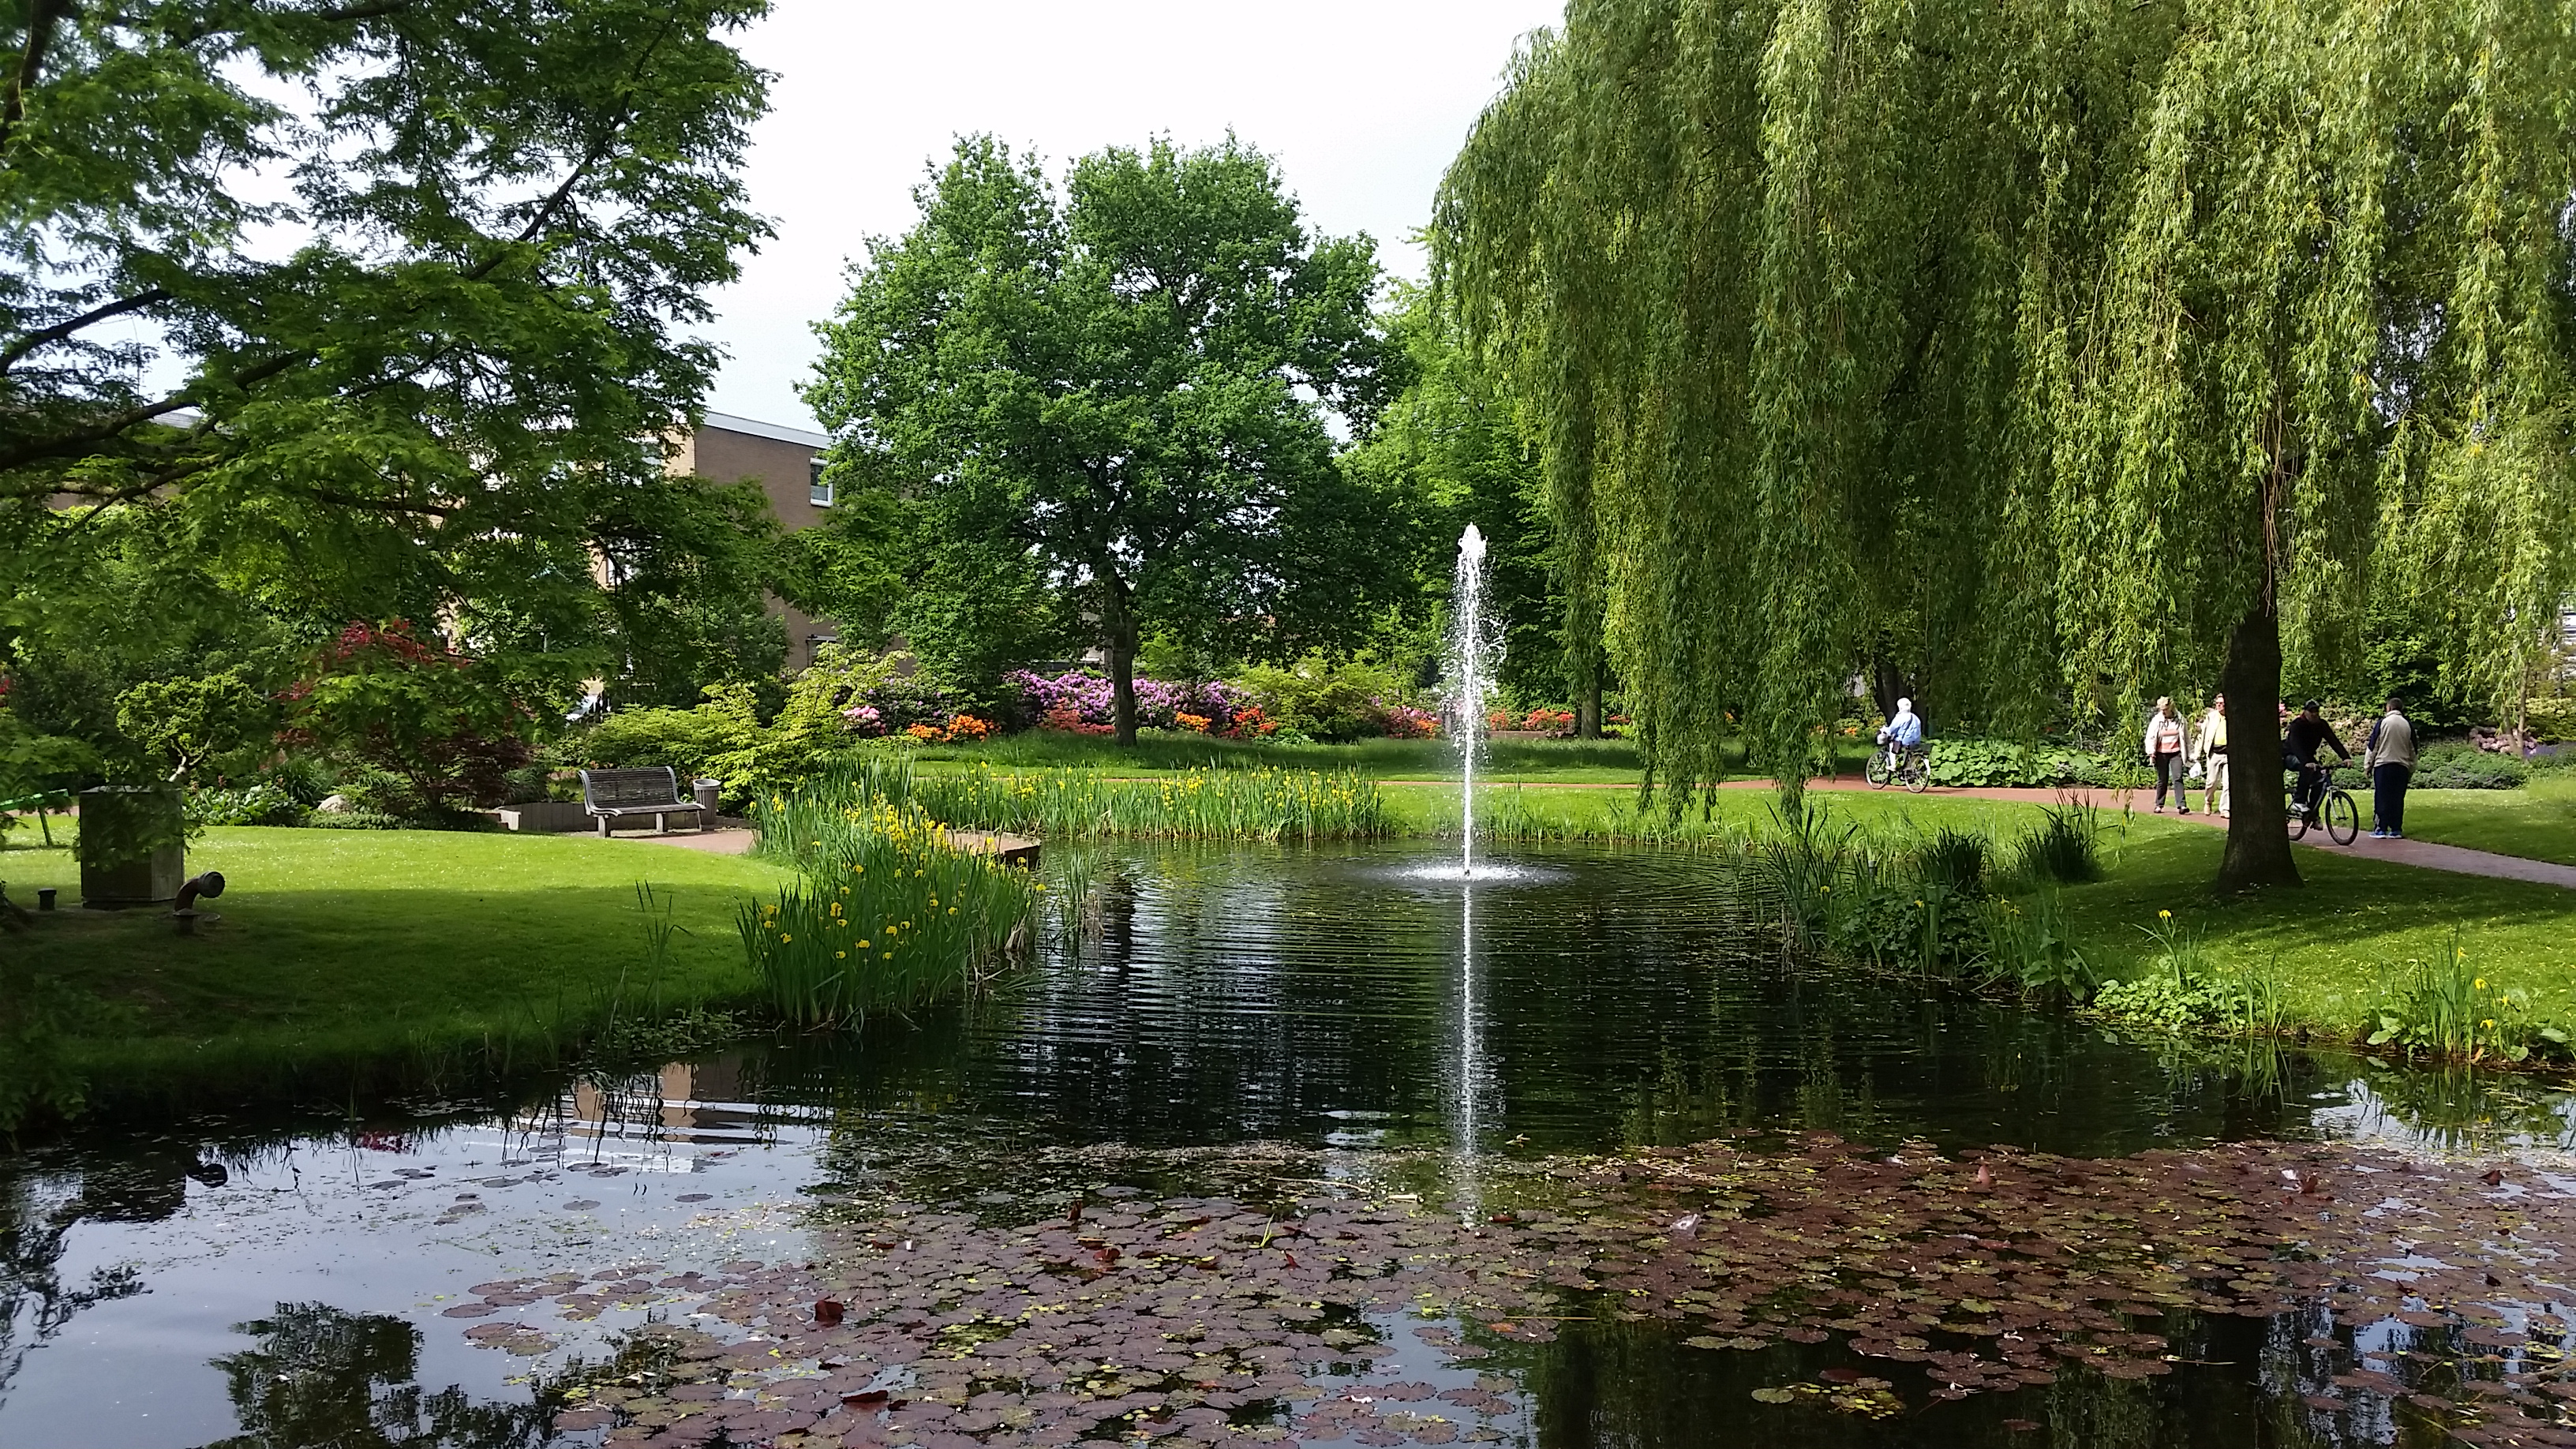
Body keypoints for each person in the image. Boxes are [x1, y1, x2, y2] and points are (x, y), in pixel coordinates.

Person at [2282, 698, 2351, 821]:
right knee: (2306, 769)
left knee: (2320, 778)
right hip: (2291, 755)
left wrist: (2345, 757)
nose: (2314, 714)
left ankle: (2312, 813)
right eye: (2311, 711)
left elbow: (2333, 741)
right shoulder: (2297, 725)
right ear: (2305, 712)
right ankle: (2299, 800)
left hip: (2308, 757)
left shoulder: (2321, 725)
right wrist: (2305, 762)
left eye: (2316, 711)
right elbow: (2295, 745)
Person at [2365, 697, 2416, 839]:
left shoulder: (2382, 723)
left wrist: (2367, 766)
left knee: (2382, 797)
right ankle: (2396, 828)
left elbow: (2373, 746)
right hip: (2402, 766)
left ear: (2389, 708)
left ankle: (2380, 828)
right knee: (2397, 798)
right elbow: (2413, 749)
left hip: (2383, 765)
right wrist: (2411, 768)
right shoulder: (2408, 725)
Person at [2143, 696, 2190, 814]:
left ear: (2171, 708)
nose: (2163, 712)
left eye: (2165, 709)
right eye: (2161, 709)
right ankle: (2159, 804)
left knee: (2178, 777)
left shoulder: (2180, 720)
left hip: (2176, 752)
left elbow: (2186, 738)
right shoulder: (2157, 720)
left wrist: (2191, 754)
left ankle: (2182, 805)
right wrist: (2151, 752)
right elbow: (2151, 737)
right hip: (2161, 753)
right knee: (2162, 779)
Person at [2195, 694, 2229, 818]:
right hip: (2214, 753)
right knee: (2212, 782)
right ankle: (2208, 802)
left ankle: (2225, 809)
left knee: (2228, 783)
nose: (2219, 705)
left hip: (2228, 754)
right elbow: (2202, 736)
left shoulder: (2232, 717)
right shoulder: (2211, 717)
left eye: (2222, 703)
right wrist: (2197, 753)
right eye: (2217, 703)